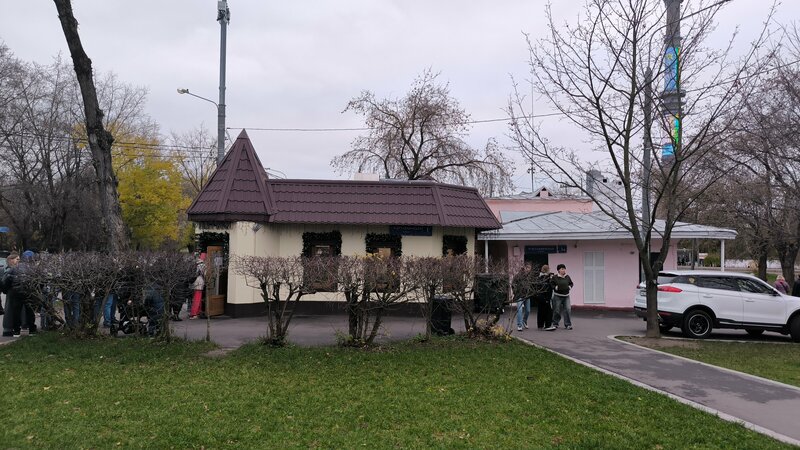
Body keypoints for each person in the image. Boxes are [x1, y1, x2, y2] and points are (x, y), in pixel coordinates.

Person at [1, 252, 36, 337]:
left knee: (16, 312)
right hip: (28, 292)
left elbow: (6, 281)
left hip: (15, 293)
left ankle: (16, 331)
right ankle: (32, 330)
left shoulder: (13, 269)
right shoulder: (32, 269)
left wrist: (6, 290)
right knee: (29, 311)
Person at [546, 263, 573, 331]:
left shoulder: (567, 277)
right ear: (558, 270)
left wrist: (569, 287)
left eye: (564, 269)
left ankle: (568, 324)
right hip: (557, 296)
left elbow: (571, 283)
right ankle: (555, 324)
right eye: (562, 269)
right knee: (556, 310)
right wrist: (556, 287)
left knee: (568, 309)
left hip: (566, 296)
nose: (564, 270)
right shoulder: (555, 277)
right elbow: (551, 284)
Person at [512, 262, 534, 331]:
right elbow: (513, 284)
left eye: (529, 268)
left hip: (527, 295)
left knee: (528, 310)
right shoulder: (518, 276)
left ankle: (524, 320)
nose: (528, 269)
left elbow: (532, 285)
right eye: (527, 268)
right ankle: (519, 325)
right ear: (524, 268)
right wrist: (516, 292)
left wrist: (530, 292)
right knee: (520, 310)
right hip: (519, 295)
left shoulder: (530, 276)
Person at [533, 264, 554, 330]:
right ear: (547, 270)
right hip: (545, 297)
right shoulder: (546, 278)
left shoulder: (539, 278)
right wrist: (547, 298)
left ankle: (540, 325)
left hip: (540, 297)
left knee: (541, 311)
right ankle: (548, 325)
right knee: (548, 311)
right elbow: (548, 288)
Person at [189, 253, 206, 319]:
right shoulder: (202, 265)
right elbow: (204, 274)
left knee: (196, 298)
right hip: (199, 283)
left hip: (194, 283)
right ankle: (194, 314)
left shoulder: (195, 263)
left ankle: (197, 312)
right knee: (197, 299)